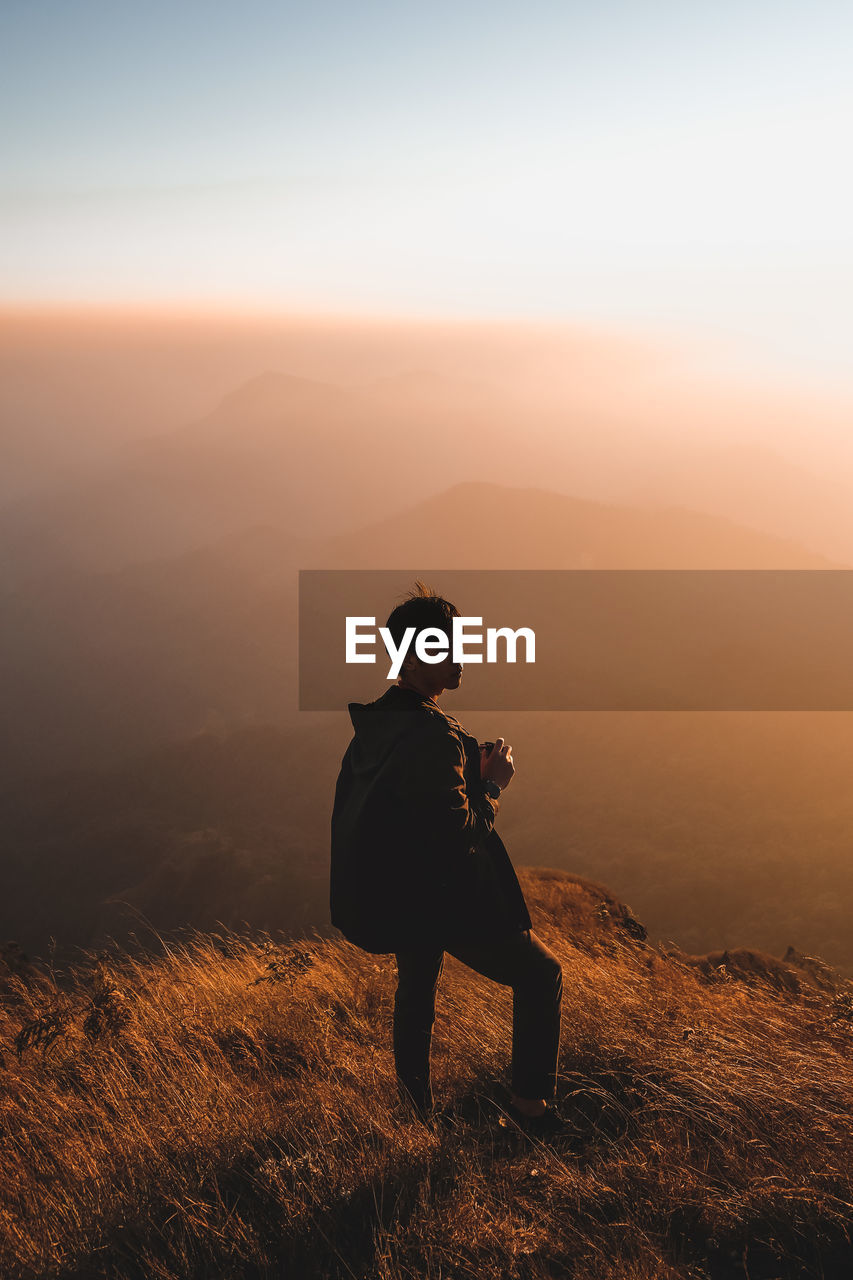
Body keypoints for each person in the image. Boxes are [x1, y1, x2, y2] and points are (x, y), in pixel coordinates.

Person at [330, 582, 565, 1134]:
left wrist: (467, 775)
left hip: (396, 892)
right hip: (440, 894)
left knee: (415, 995)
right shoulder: (431, 735)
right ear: (412, 659)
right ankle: (531, 1108)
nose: (460, 659)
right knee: (542, 975)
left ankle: (416, 1116)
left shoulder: (376, 723)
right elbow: (460, 835)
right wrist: (493, 785)